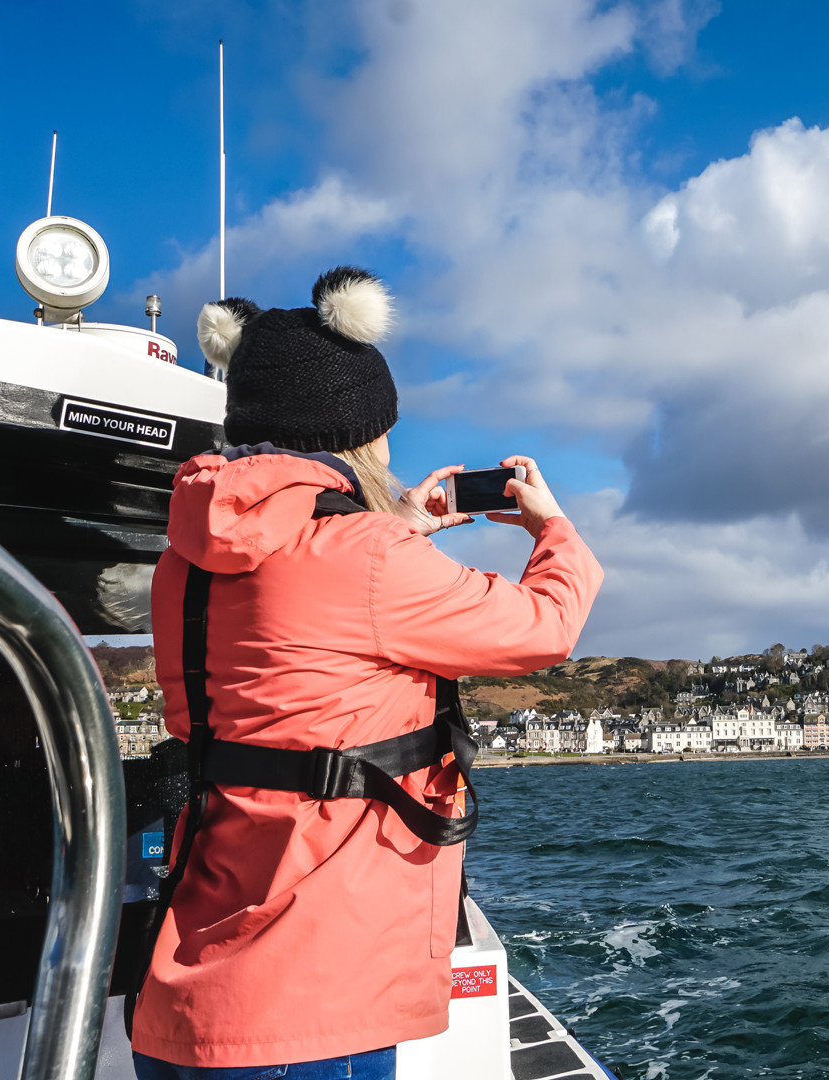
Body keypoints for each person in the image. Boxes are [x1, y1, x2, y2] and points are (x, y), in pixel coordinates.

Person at [130, 267, 603, 1079]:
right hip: (311, 1004)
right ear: (355, 432)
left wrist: (401, 527)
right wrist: (552, 527)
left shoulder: (186, 565)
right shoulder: (367, 558)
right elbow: (545, 629)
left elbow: (303, 658)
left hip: (188, 999)